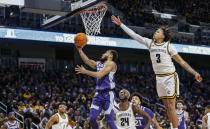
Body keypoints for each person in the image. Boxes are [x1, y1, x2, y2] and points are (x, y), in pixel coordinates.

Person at [111, 15, 202, 129]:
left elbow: (182, 62)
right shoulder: (150, 43)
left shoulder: (169, 46)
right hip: (159, 78)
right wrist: (121, 25)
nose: (155, 32)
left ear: (163, 36)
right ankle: (173, 126)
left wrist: (194, 73)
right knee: (167, 107)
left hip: (169, 77)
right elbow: (135, 35)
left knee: (171, 105)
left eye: (158, 31)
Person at [75, 45, 118, 129]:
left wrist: (85, 71)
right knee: (92, 118)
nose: (103, 53)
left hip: (108, 95)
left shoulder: (111, 64)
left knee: (109, 120)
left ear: (110, 56)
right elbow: (87, 61)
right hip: (98, 95)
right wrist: (80, 50)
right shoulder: (99, 63)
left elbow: (99, 75)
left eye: (106, 52)